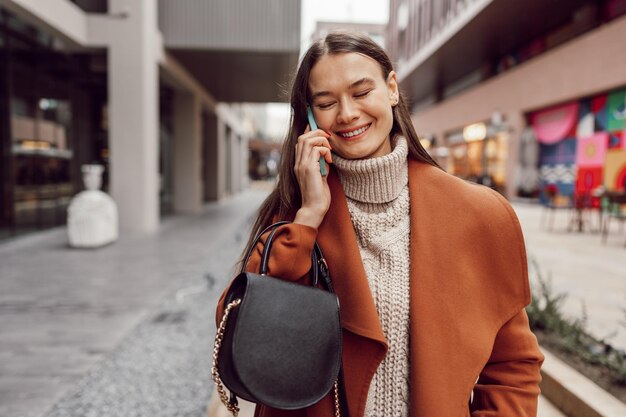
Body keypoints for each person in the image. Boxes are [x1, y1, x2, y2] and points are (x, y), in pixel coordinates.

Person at [216, 31, 543, 417]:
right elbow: (237, 334)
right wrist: (308, 218)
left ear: (391, 88)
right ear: (309, 117)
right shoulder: (293, 218)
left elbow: (513, 364)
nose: (347, 113)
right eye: (326, 102)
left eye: (360, 91)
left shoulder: (478, 214)